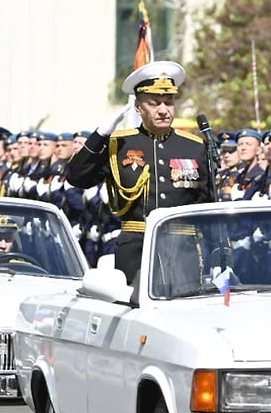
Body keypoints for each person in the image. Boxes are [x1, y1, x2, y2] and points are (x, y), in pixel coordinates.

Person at [65, 60, 213, 284]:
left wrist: (217, 256)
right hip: (136, 248)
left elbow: (208, 205)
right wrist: (100, 136)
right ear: (138, 107)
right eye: (154, 103)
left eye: (169, 102)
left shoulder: (194, 146)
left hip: (182, 249)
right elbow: (77, 177)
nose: (163, 110)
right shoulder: (119, 144)